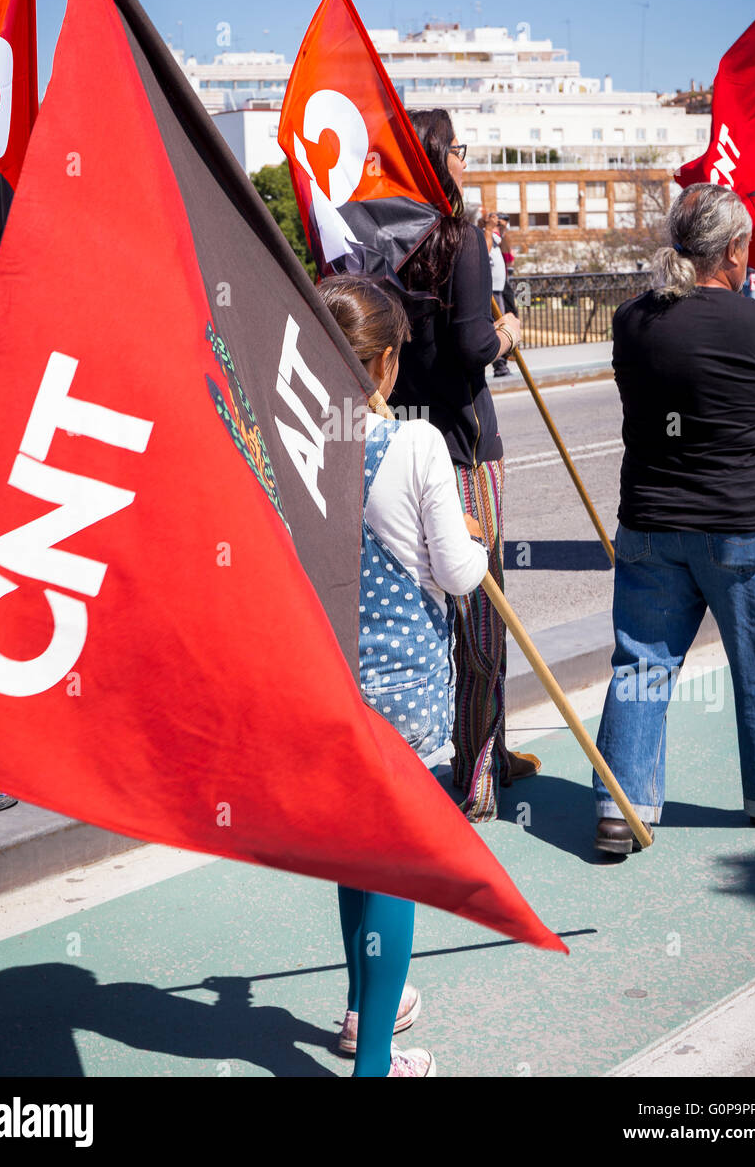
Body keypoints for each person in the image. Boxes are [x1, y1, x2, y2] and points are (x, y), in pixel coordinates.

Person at [594, 182, 755, 854]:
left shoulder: (633, 320)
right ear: (736, 251)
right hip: (744, 528)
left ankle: (619, 806)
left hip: (651, 525)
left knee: (640, 666)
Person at [320, 273, 490, 1076]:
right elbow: (457, 574)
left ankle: (363, 1013)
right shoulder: (416, 444)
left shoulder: (301, 443)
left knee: (355, 855)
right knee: (397, 866)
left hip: (327, 681)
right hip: (406, 688)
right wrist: (480, 541)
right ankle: (376, 1064)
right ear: (386, 363)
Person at [391, 109, 538, 822]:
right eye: (461, 148)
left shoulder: (382, 242)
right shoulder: (461, 239)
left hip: (401, 443)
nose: (467, 160)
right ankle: (479, 769)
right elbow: (477, 344)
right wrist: (508, 329)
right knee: (482, 607)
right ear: (441, 156)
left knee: (427, 602)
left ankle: (491, 747)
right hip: (468, 449)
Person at [483, 211, 518, 378]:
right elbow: (486, 249)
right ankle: (499, 365)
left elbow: (509, 257)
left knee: (507, 320)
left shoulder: (499, 239)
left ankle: (504, 360)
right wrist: (491, 228)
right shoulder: (487, 235)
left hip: (500, 287)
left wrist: (502, 230)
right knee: (498, 325)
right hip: (491, 290)